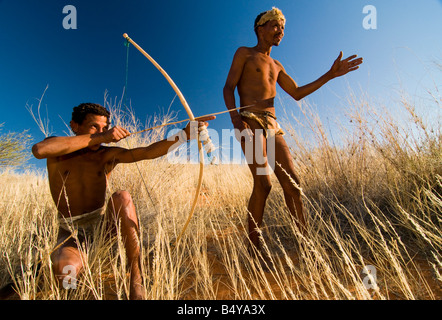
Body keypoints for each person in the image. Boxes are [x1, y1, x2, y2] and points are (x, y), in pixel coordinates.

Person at [32, 102, 215, 299]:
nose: (101, 132)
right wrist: (101, 137)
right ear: (75, 126)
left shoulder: (107, 155)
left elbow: (147, 152)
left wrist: (185, 135)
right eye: (94, 126)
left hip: (103, 227)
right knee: (66, 271)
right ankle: (74, 286)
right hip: (71, 233)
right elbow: (40, 150)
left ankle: (136, 276)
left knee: (122, 197)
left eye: (104, 128)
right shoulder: (57, 148)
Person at [223, 8, 363, 255]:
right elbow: (228, 87)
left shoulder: (277, 65)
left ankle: (306, 246)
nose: (281, 32)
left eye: (283, 28)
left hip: (273, 126)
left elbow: (297, 93)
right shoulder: (244, 53)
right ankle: (253, 247)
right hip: (249, 122)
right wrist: (236, 119)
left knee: (293, 184)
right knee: (263, 184)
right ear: (260, 28)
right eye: (276, 26)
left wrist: (330, 75)